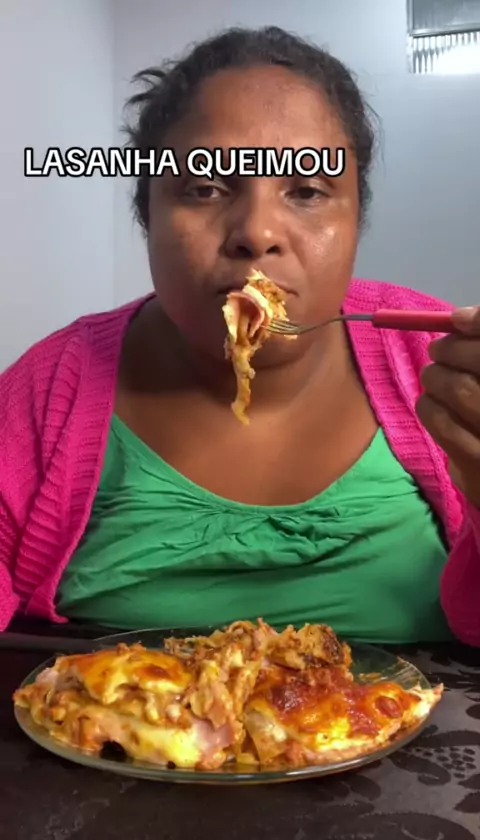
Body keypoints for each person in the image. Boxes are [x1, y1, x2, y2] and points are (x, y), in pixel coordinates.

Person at [1, 26, 479, 645]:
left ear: (356, 219)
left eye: (307, 190)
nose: (257, 232)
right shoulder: (48, 390)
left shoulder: (441, 366)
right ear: (147, 216)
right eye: (204, 188)